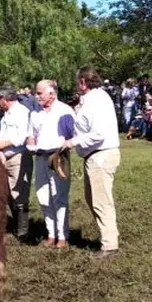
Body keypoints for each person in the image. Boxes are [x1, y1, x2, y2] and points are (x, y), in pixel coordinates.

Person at [64, 67, 121, 259]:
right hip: (96, 155)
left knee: (101, 200)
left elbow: (98, 134)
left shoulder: (95, 101)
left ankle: (110, 244)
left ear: (82, 81)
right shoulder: (94, 99)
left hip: (100, 154)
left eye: (77, 81)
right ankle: (109, 237)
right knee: (94, 199)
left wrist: (73, 142)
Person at [27, 80, 75, 248]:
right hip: (39, 158)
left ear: (52, 94)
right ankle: (51, 234)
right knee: (43, 196)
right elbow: (31, 134)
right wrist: (31, 145)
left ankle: (63, 236)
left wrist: (62, 151)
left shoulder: (64, 111)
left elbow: (71, 136)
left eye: (40, 93)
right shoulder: (35, 113)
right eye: (36, 92)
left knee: (59, 197)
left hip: (58, 157)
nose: (36, 96)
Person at [0, 86, 32, 240]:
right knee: (8, 192)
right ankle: (16, 225)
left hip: (18, 156)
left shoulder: (22, 112)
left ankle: (23, 231)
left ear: (4, 99)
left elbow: (21, 137)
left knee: (19, 192)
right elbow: (3, 134)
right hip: (5, 156)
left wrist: (2, 145)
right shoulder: (6, 114)